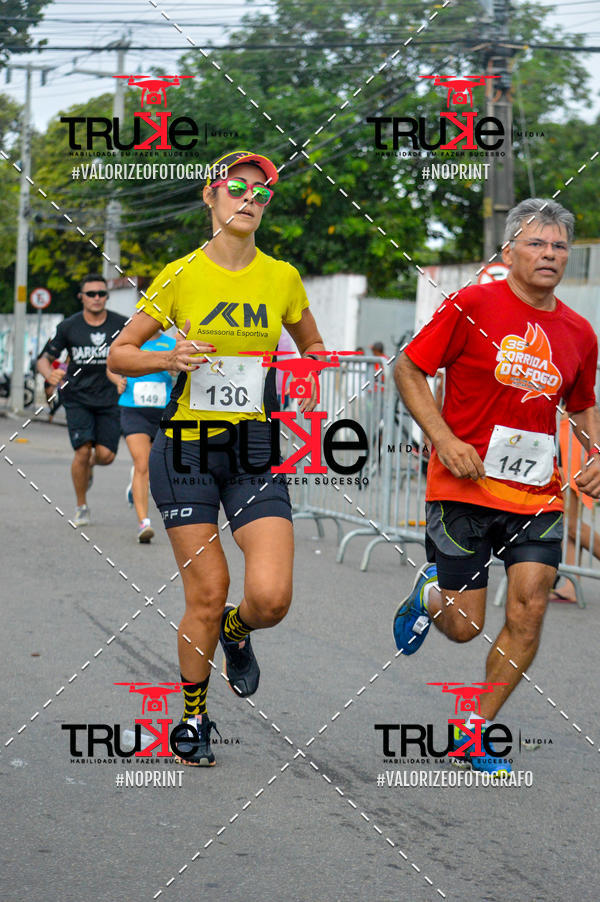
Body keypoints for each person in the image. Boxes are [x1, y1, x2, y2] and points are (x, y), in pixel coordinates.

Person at [108, 150, 326, 767]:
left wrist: (309, 361)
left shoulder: (281, 276)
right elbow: (119, 355)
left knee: (272, 596)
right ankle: (194, 716)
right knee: (207, 592)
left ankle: (239, 633)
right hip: (186, 449)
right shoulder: (179, 275)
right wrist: (167, 358)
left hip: (254, 447)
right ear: (211, 196)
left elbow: (310, 341)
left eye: (262, 192)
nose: (250, 198)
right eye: (238, 187)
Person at [392, 198, 600, 776]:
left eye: (559, 246)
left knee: (530, 611)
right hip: (464, 487)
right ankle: (428, 594)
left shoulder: (580, 332)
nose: (549, 255)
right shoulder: (472, 304)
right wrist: (443, 440)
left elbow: (582, 405)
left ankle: (475, 731)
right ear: (508, 251)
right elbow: (409, 368)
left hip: (535, 495)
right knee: (463, 627)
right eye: (537, 243)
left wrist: (597, 452)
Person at [37, 274, 128, 526]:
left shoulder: (121, 324)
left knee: (106, 455)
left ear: (106, 296)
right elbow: (43, 360)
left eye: (101, 293)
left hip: (110, 397)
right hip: (77, 396)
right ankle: (82, 506)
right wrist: (50, 374)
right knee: (81, 450)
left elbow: (138, 349)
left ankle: (90, 463)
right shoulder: (69, 327)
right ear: (82, 297)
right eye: (91, 294)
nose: (97, 298)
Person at [118, 329, 177, 543]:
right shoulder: (130, 339)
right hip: (134, 410)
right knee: (142, 462)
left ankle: (136, 485)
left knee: (157, 464)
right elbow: (112, 364)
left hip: (163, 410)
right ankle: (144, 523)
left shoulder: (171, 342)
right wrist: (117, 380)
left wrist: (175, 370)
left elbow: (178, 372)